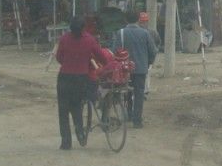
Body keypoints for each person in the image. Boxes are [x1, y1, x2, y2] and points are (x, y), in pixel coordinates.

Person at [55, 15, 107, 150]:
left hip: (65, 78)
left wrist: (68, 64)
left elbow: (59, 57)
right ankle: (80, 134)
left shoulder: (64, 38)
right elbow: (101, 56)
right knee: (77, 107)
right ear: (84, 27)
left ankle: (66, 142)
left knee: (63, 110)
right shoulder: (90, 40)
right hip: (81, 78)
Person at [112, 10, 157, 128]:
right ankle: (137, 121)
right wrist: (148, 62)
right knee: (139, 94)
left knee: (126, 91)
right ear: (138, 19)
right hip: (141, 69)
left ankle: (129, 114)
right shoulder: (145, 33)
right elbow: (153, 51)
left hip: (125, 69)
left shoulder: (120, 33)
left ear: (126, 20)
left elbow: (114, 51)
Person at [138, 12, 161, 96]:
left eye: (145, 22)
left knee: (146, 74)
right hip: (140, 57)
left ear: (147, 22)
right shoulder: (137, 33)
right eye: (141, 22)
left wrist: (155, 52)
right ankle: (143, 91)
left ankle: (145, 91)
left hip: (148, 58)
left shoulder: (152, 33)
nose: (143, 24)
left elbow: (158, 42)